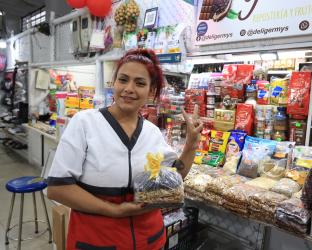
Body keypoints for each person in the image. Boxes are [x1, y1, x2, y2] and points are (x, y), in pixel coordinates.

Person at [47, 48, 203, 250]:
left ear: (151, 91)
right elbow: (57, 188)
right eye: (123, 80)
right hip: (97, 240)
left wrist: (191, 144)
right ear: (114, 83)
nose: (129, 88)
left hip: (149, 240)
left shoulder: (152, 132)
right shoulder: (85, 123)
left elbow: (173, 180)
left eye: (140, 83)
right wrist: (113, 210)